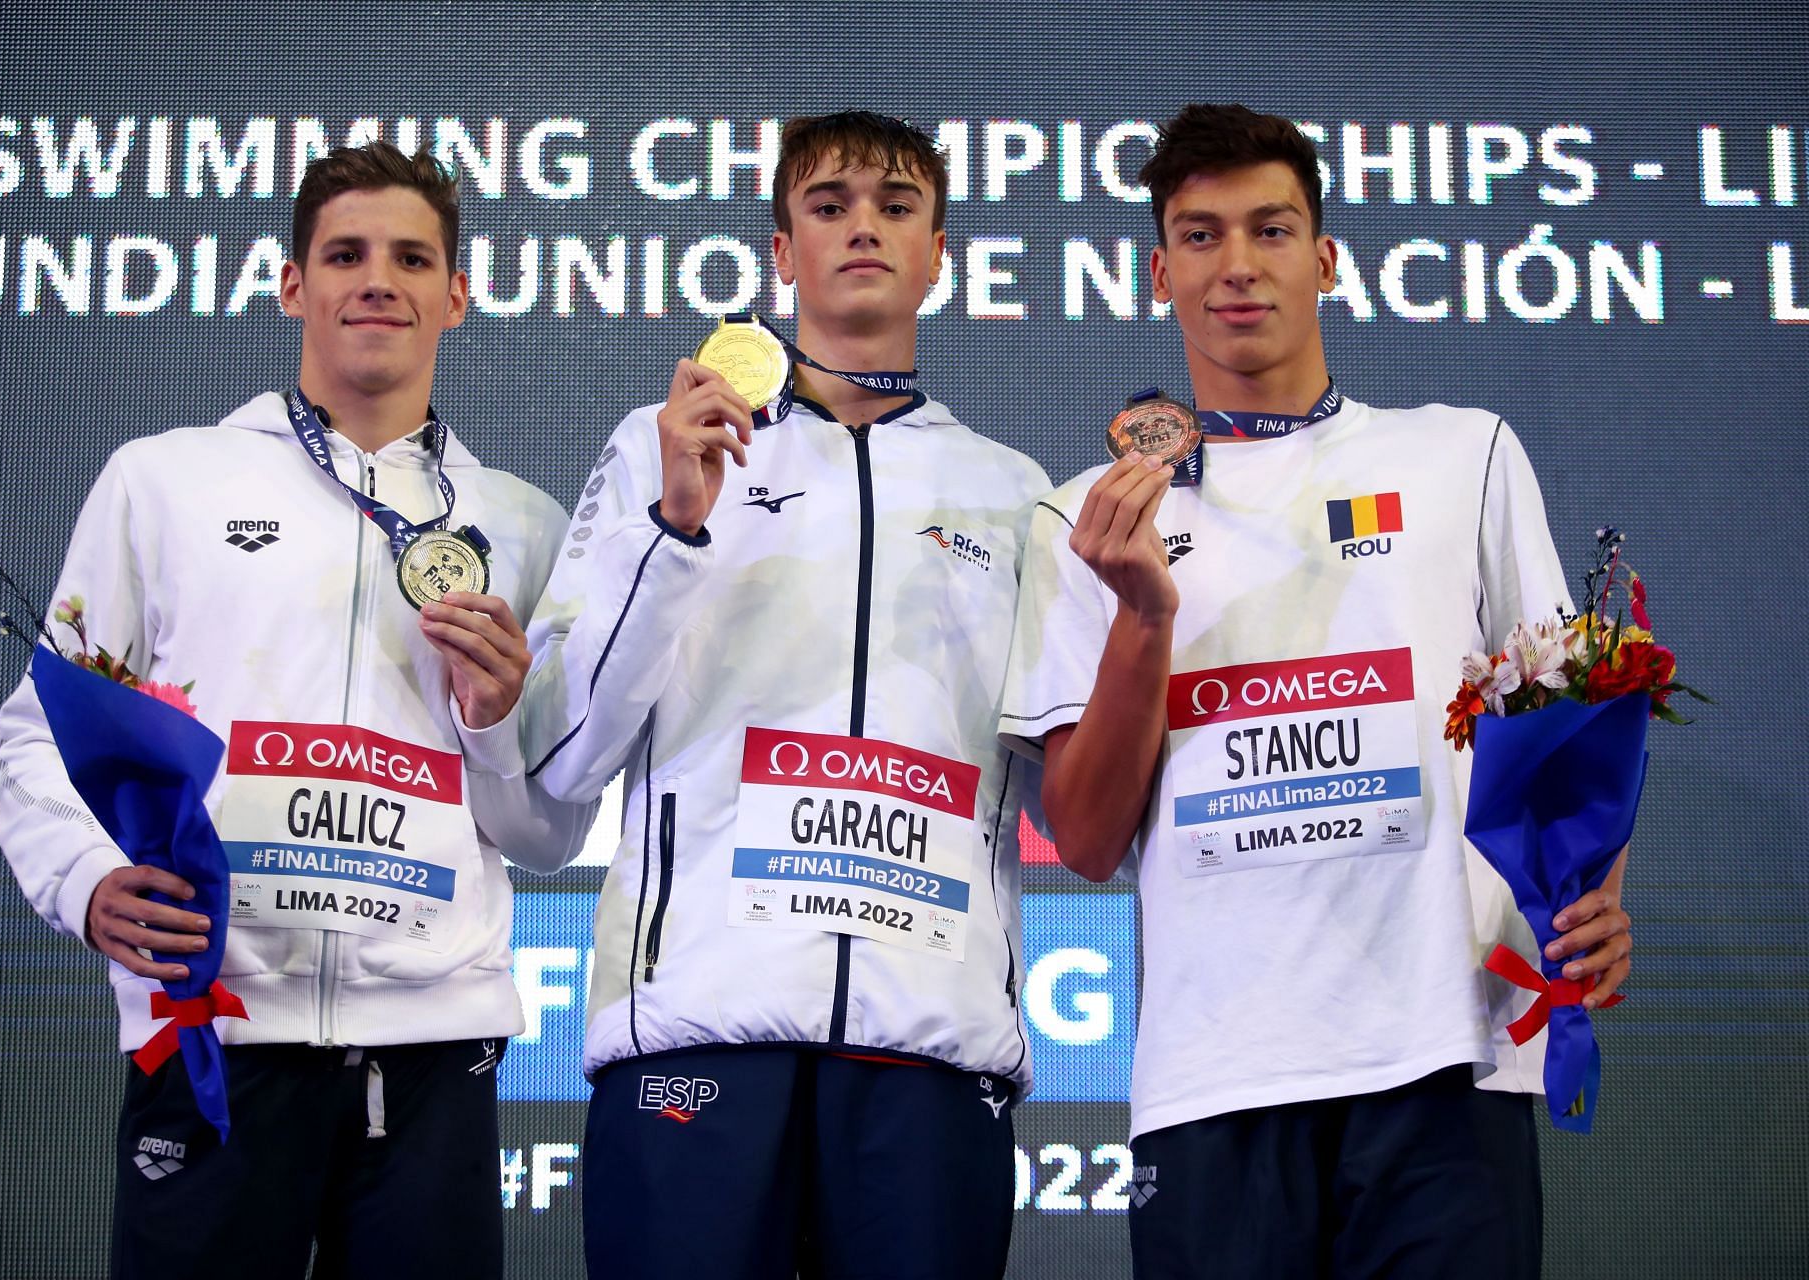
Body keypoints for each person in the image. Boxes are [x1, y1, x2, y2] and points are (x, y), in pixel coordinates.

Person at [997, 103, 1635, 1279]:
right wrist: (1145, 614)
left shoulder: (1463, 453)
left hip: (1449, 1051)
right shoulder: (1086, 516)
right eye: (1200, 235)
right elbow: (1084, 837)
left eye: (1272, 229)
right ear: (1157, 272)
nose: (1237, 265)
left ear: (1327, 258)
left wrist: (1594, 893)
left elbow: (1571, 729)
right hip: (1215, 1074)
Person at [0, 141, 592, 1280]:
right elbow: (43, 730)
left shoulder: (520, 526)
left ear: (456, 295)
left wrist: (498, 714)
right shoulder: (166, 479)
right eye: (346, 253)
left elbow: (550, 831)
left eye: (413, 257)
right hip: (216, 1025)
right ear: (292, 285)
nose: (380, 279)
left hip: (431, 1049)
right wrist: (84, 880)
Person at [521, 111, 1051, 1279]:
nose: (863, 225)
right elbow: (558, 758)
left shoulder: (1013, 493)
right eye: (829, 204)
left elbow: (1072, 798)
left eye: (896, 205)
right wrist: (676, 524)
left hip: (928, 1045)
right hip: (700, 1027)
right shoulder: (664, 449)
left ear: (939, 253)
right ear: (781, 249)